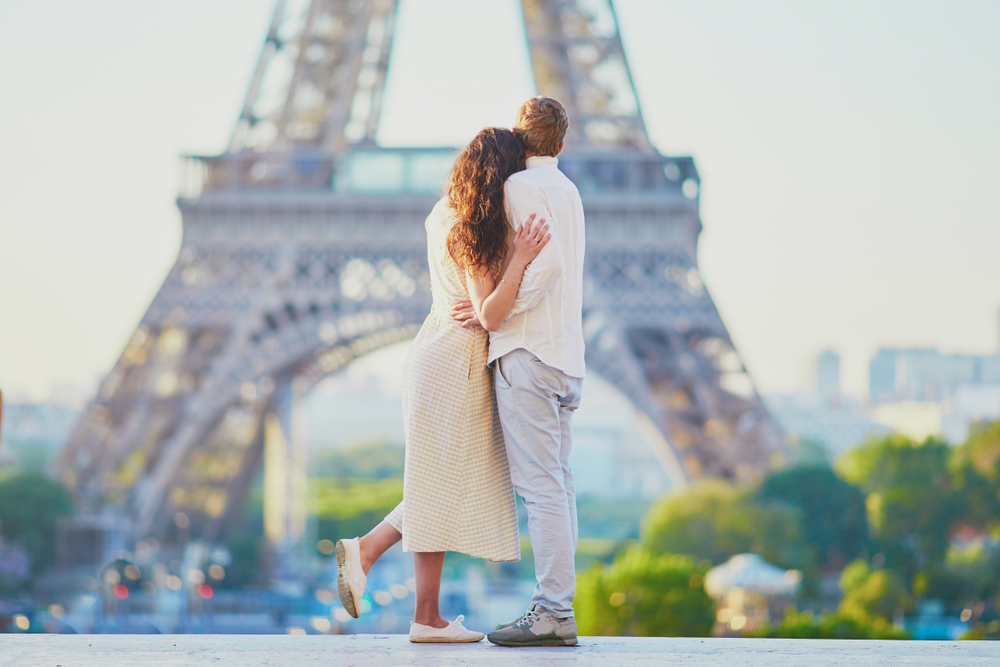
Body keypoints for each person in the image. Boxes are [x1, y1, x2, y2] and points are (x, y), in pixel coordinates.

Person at [334, 127, 552, 643]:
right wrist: (519, 258)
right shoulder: (476, 231)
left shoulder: (443, 214)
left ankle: (420, 611)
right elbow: (490, 313)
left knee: (440, 482)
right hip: (455, 360)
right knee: (440, 483)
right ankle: (382, 569)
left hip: (435, 348)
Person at [453, 96, 585, 648]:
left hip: (528, 354)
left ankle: (553, 609)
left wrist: (504, 306)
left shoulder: (518, 188)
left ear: (518, 134)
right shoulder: (569, 190)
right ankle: (559, 604)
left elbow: (547, 261)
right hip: (566, 359)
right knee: (559, 485)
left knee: (540, 490)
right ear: (561, 140)